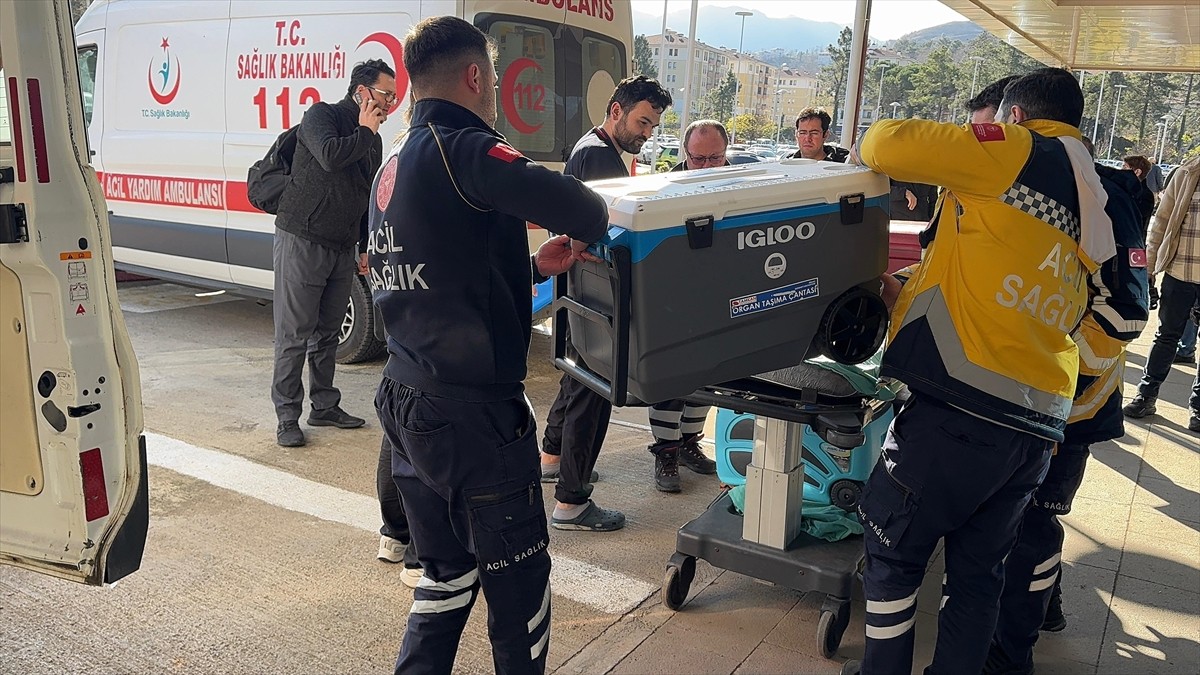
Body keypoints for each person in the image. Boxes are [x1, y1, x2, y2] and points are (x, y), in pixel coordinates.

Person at [841, 68, 1117, 675]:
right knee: (977, 576)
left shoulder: (1016, 149)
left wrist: (977, 138)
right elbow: (998, 278)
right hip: (1036, 425)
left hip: (957, 410)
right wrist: (899, 296)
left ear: (1013, 115)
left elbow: (884, 143)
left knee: (893, 557)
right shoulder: (1090, 191)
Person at [369, 16, 609, 673]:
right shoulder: (467, 147)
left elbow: (437, 274)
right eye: (495, 79)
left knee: (444, 580)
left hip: (407, 401)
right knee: (520, 599)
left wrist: (536, 267)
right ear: (475, 77)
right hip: (471, 416)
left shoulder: (395, 163)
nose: (497, 92)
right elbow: (588, 210)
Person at [985, 147, 1150, 675]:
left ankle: (1011, 656)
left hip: (1065, 408)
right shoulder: (1002, 183)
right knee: (1011, 524)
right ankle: (1040, 605)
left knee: (1035, 527)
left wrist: (1054, 391)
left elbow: (1124, 315)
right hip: (1011, 396)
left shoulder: (1102, 196)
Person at [540, 75, 673, 529]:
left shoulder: (592, 147)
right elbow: (606, 227)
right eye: (642, 122)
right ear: (616, 111)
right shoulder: (598, 157)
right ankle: (572, 501)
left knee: (576, 377)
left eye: (653, 126)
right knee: (592, 391)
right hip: (596, 289)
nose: (647, 133)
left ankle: (552, 459)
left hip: (581, 288)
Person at [271, 59, 392, 447]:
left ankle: (323, 405)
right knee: (294, 334)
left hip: (341, 247)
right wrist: (365, 130)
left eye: (393, 96)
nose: (389, 103)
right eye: (384, 94)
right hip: (303, 237)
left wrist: (363, 245)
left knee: (327, 334)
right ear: (361, 92)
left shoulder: (370, 138)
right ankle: (287, 417)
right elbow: (329, 156)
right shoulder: (321, 115)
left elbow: (364, 192)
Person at [1122, 154, 1200, 433]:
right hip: (1179, 273)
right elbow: (1161, 223)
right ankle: (1146, 395)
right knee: (1166, 336)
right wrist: (1149, 268)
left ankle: (1199, 408)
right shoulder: (1187, 172)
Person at [1121, 155, 1158, 236]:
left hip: (1129, 244)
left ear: (1137, 172)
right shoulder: (1124, 189)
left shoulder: (1144, 196)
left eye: (1125, 167)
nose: (1120, 170)